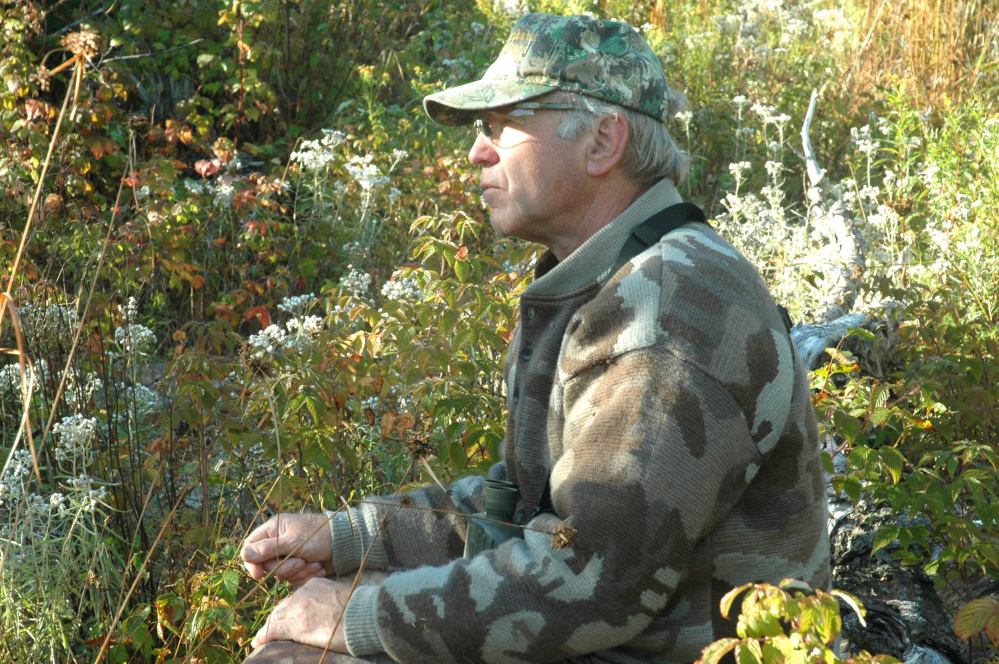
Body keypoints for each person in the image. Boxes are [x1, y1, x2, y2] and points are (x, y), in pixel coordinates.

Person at [241, 13, 830, 664]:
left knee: (303, 652)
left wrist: (356, 613)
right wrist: (351, 537)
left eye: (502, 125)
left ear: (602, 141)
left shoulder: (667, 312)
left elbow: (587, 580)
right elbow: (528, 511)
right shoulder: (610, 277)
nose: (477, 151)